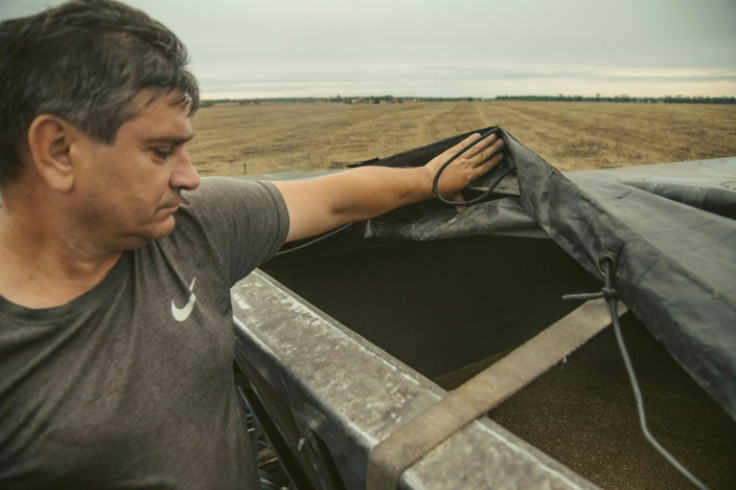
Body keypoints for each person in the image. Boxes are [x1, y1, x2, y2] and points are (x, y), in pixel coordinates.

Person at [0, 0, 505, 488]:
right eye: (160, 151)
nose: (190, 177)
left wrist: (426, 179)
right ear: (58, 151)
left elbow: (331, 200)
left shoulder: (192, 226)